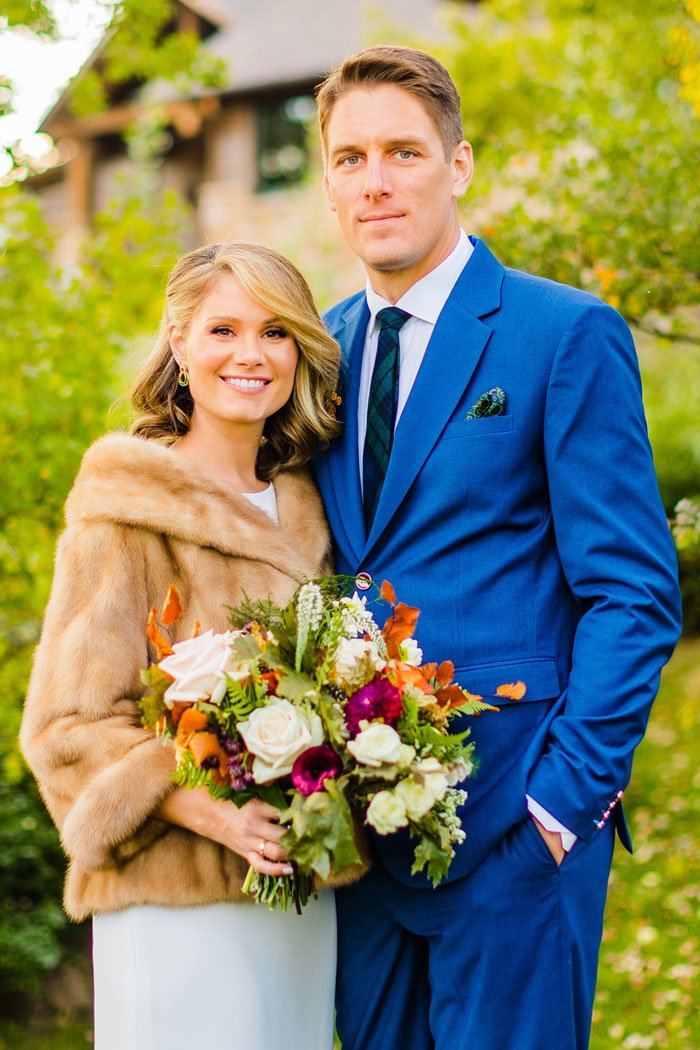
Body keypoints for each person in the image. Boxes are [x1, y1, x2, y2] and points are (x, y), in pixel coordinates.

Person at [312, 45, 682, 1050]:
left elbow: (633, 592)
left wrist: (563, 804)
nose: (375, 181)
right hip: (360, 846)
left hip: (518, 825)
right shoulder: (315, 351)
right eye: (349, 159)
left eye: (402, 151)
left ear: (459, 164)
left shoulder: (561, 333)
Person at [20, 242, 360, 1050]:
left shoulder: (313, 509)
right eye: (223, 330)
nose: (252, 354)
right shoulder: (124, 511)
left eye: (276, 332)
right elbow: (66, 731)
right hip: (174, 904)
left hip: (297, 900)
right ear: (178, 341)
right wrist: (214, 814)